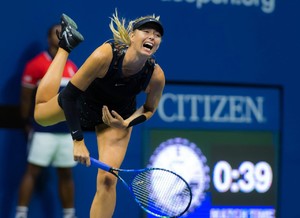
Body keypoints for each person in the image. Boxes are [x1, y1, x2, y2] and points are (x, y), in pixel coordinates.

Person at [33, 10, 165, 218]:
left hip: (114, 118)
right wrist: (77, 140)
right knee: (40, 114)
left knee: (108, 179)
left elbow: (149, 109)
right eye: (146, 31)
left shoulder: (155, 75)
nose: (152, 37)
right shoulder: (105, 55)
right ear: (132, 36)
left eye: (157, 35)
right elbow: (69, 97)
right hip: (81, 102)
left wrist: (126, 123)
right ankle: (65, 47)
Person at [15, 24, 78, 218]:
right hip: (42, 131)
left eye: (63, 33)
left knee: (66, 174)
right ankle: (21, 214)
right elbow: (26, 97)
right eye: (56, 33)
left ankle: (69, 215)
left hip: (66, 132)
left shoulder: (71, 66)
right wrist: (27, 122)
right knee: (32, 172)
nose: (60, 36)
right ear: (48, 38)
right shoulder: (35, 64)